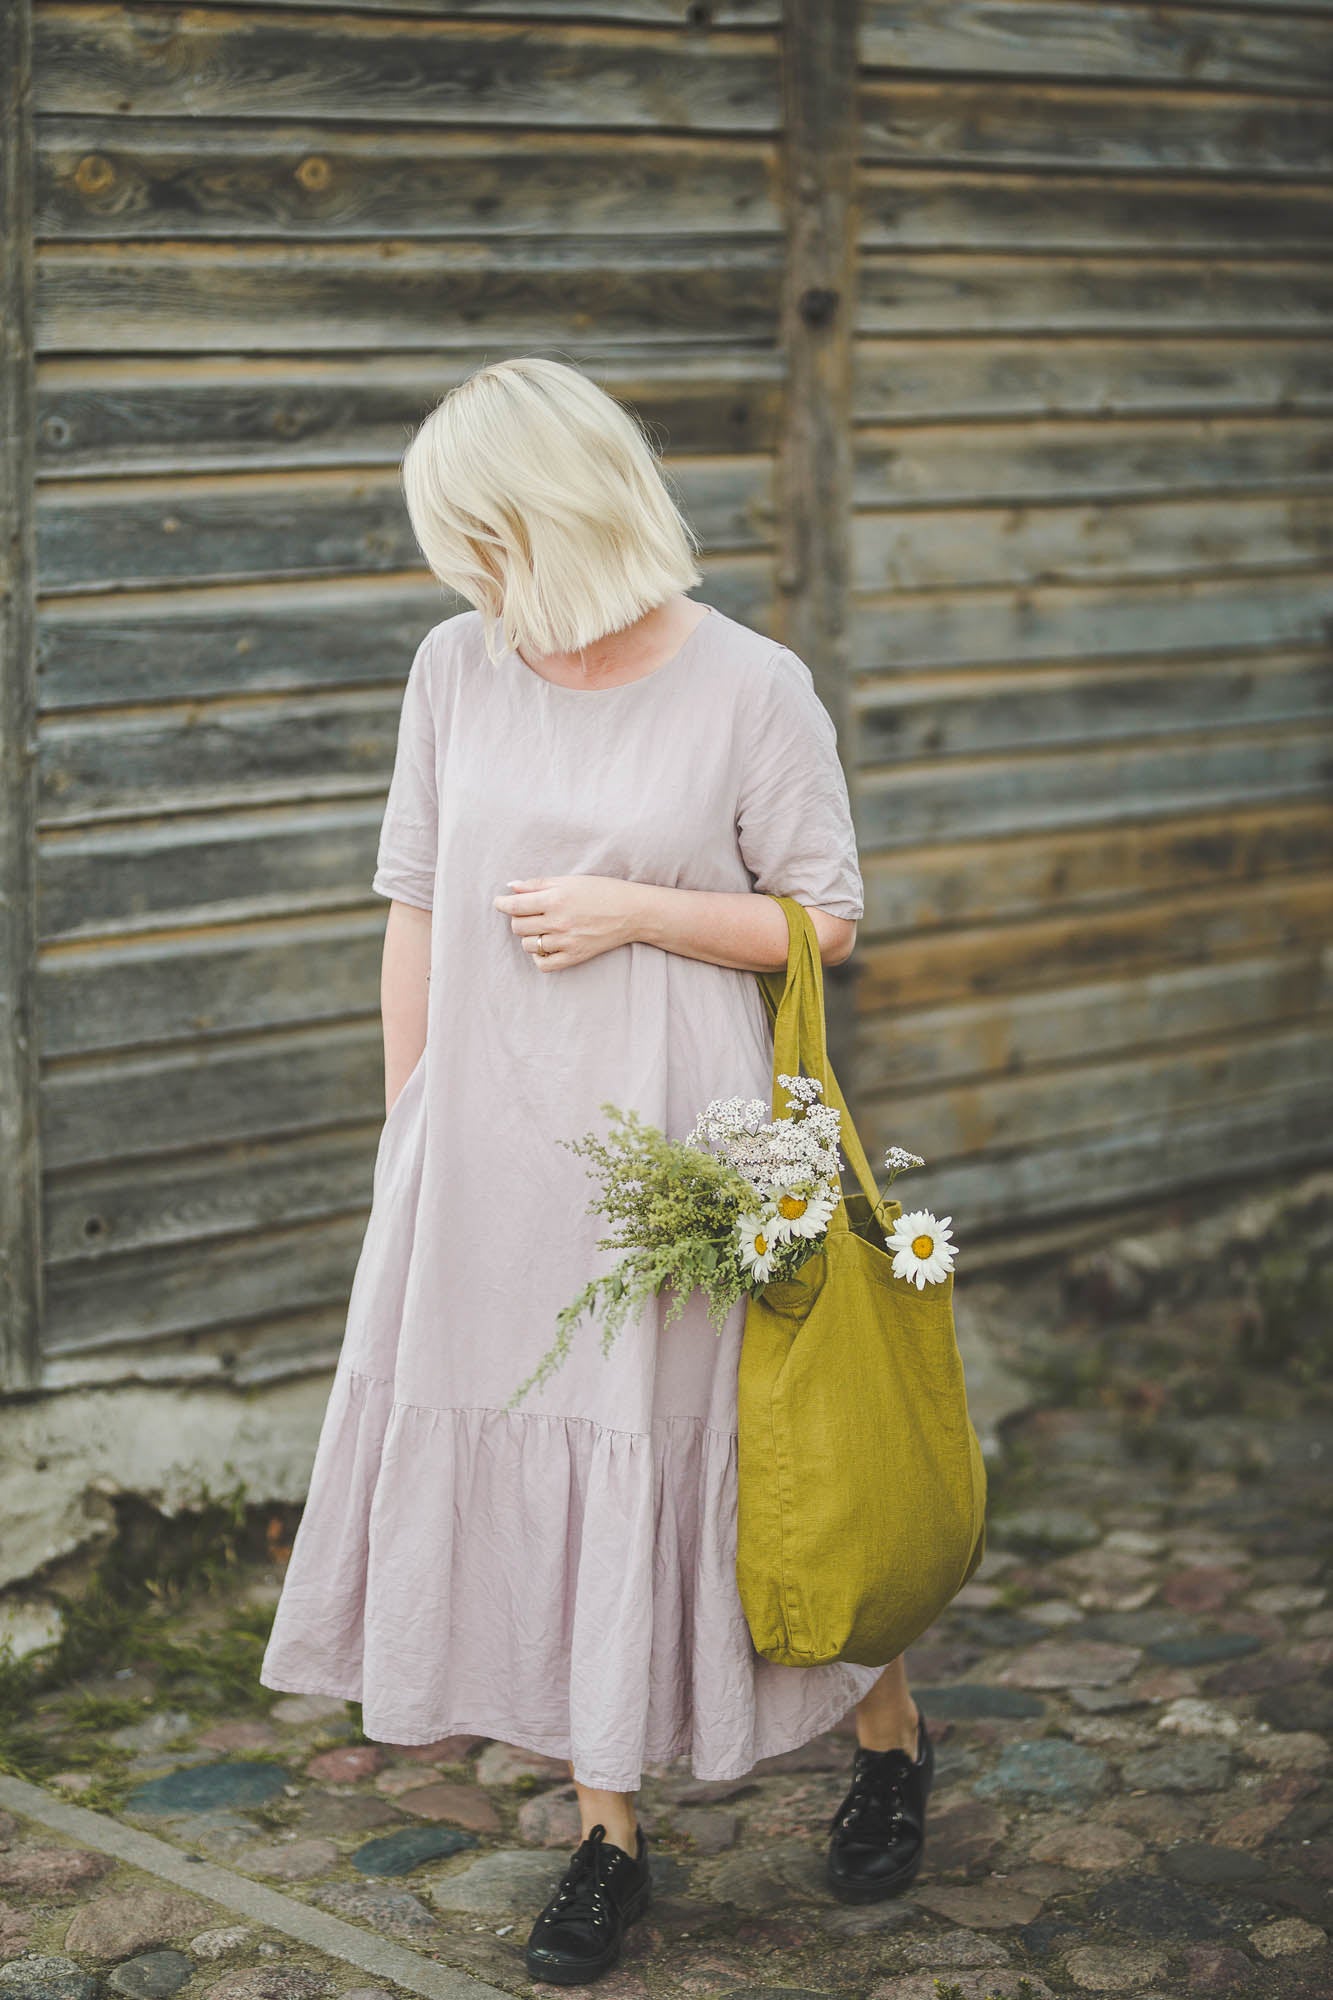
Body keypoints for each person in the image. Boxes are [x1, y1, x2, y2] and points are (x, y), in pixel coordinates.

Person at [258, 356, 933, 1983]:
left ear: (553, 516)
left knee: (747, 1455)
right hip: (491, 1141)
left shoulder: (747, 683)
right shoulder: (453, 667)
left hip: (687, 1145)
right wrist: (410, 1120)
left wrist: (636, 909)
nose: (469, 577)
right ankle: (604, 1837)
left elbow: (823, 917)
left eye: (483, 539)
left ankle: (890, 1734)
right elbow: (413, 900)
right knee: (564, 1452)